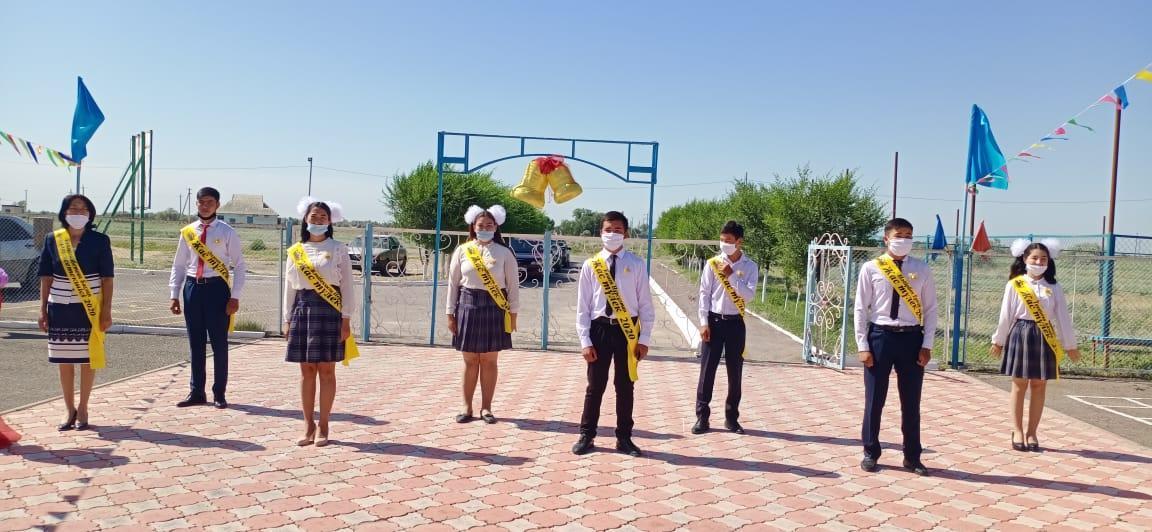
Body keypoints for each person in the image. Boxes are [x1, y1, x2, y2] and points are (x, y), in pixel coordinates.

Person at [853, 218, 937, 475]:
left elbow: (931, 309)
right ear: (886, 238)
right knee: (874, 400)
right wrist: (862, 344)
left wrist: (927, 344)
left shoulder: (921, 268)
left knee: (911, 402)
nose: (904, 240)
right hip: (880, 337)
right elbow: (860, 308)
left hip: (911, 339)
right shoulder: (871, 268)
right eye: (899, 235)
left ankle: (912, 456)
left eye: (909, 235)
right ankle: (870, 452)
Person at [572, 211, 655, 457]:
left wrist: (644, 339)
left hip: (627, 331)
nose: (612, 234)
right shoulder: (591, 264)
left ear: (626, 234)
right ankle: (587, 435)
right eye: (608, 230)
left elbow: (645, 305)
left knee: (625, 386)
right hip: (599, 329)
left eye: (617, 230)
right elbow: (583, 307)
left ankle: (624, 438)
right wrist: (585, 341)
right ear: (601, 233)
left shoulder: (636, 264)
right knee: (595, 386)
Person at [991, 239, 1081, 452]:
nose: (1039, 262)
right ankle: (1017, 430)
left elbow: (1063, 317)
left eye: (1043, 259)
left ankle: (1032, 432)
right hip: (1021, 333)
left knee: (1039, 385)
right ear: (1024, 259)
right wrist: (998, 341)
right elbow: (1006, 315)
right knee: (1019, 384)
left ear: (1049, 261)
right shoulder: (1015, 284)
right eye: (1034, 258)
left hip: (1045, 336)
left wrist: (1070, 344)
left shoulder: (1054, 287)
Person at [283, 198, 357, 447]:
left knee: (326, 370)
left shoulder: (338, 248)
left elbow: (347, 286)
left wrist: (346, 318)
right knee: (306, 371)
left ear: (330, 221)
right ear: (305, 220)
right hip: (303, 310)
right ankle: (308, 425)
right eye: (313, 217)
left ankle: (324, 424)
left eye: (323, 217)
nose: (318, 220)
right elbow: (289, 288)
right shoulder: (295, 251)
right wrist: (287, 319)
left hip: (329, 310)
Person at [37, 194, 114, 430]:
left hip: (89, 307)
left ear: (90, 214)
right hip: (59, 306)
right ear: (64, 212)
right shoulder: (53, 239)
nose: (78, 212)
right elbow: (46, 277)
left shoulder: (100, 240)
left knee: (88, 359)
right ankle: (68, 408)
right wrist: (42, 309)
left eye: (83, 209)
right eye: (73, 208)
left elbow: (107, 278)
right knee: (65, 361)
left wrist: (106, 311)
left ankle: (83, 408)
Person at [168, 187, 246, 409]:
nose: (205, 206)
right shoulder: (188, 232)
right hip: (193, 288)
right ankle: (196, 392)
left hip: (217, 289)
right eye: (201, 202)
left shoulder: (227, 232)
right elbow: (179, 265)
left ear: (217, 205)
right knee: (196, 343)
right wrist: (174, 294)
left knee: (219, 343)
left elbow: (240, 266)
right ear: (197, 204)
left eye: (209, 202)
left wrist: (235, 296)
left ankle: (219, 393)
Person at [446, 205, 519, 424]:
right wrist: (450, 313)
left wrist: (513, 314)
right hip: (467, 305)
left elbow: (513, 287)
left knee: (489, 361)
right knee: (470, 361)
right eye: (481, 225)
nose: (485, 229)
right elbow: (452, 284)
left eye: (489, 225)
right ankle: (466, 407)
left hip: (495, 307)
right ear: (473, 227)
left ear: (496, 227)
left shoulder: (504, 253)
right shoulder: (462, 250)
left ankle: (486, 407)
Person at [693, 221, 759, 435]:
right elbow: (704, 294)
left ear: (739, 242)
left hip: (735, 323)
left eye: (728, 240)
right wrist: (703, 322)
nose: (724, 244)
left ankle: (731, 418)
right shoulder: (713, 264)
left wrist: (731, 275)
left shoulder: (750, 266)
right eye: (722, 240)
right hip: (714, 322)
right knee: (707, 371)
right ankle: (702, 417)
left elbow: (748, 295)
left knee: (735, 372)